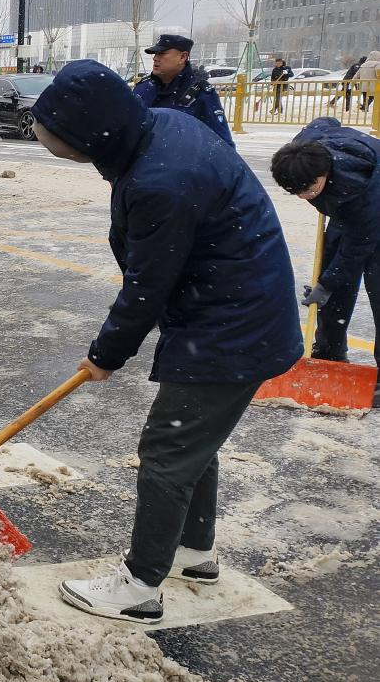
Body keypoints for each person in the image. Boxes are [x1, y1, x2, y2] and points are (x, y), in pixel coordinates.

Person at [30, 60, 301, 624]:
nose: (55, 150)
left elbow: (147, 286)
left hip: (231, 324)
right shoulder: (156, 127)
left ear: (91, 133)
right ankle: (193, 553)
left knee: (168, 449)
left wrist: (106, 354)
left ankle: (140, 586)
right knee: (191, 442)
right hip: (230, 309)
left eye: (59, 143)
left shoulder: (161, 181)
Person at [271, 118, 380, 402]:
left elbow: (359, 244)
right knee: (331, 276)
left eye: (308, 189)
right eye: (296, 192)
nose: (303, 196)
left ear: (325, 173)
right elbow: (326, 121)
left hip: (371, 210)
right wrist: (328, 282)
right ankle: (329, 352)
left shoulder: (360, 189)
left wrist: (328, 282)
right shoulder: (305, 149)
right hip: (345, 207)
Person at [133, 34, 234, 147]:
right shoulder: (143, 88)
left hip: (180, 162)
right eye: (155, 54)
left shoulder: (200, 95)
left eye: (162, 53)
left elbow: (223, 145)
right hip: (141, 162)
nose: (155, 58)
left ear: (182, 57)